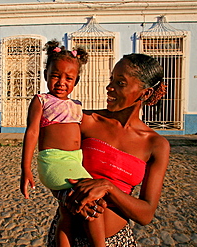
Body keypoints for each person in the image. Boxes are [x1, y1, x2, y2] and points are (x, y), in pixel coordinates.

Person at [47, 53, 170, 246]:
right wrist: (66, 196)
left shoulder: (156, 145)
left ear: (144, 93)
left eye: (120, 83)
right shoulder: (85, 121)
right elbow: (51, 160)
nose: (109, 87)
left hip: (117, 241)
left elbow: (146, 214)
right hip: (68, 237)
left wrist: (109, 187)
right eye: (111, 79)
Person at [20, 40, 106, 247]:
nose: (61, 82)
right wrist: (26, 169)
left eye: (69, 78)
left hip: (74, 162)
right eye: (56, 76)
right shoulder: (41, 100)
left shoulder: (76, 106)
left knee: (67, 213)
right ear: (46, 76)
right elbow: (32, 133)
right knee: (90, 202)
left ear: (76, 81)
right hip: (53, 162)